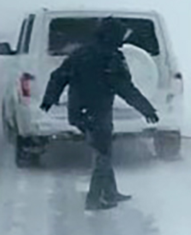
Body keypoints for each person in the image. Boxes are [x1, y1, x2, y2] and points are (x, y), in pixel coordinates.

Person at [39, 16, 160, 211]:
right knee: (102, 154)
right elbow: (126, 88)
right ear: (113, 36)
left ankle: (110, 192)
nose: (122, 40)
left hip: (80, 112)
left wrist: (49, 99)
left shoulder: (81, 53)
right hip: (97, 113)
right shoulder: (110, 58)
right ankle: (94, 199)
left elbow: (58, 76)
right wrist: (147, 110)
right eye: (121, 36)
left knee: (102, 150)